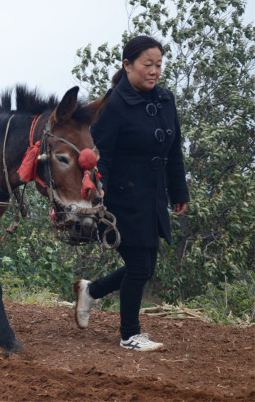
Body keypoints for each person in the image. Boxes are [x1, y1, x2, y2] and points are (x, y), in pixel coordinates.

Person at [74, 35, 190, 351]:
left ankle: (91, 291)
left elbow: (173, 150)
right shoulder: (113, 106)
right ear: (127, 65)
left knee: (146, 267)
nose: (154, 71)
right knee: (139, 267)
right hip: (120, 198)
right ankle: (129, 335)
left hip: (153, 197)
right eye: (147, 64)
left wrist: (178, 190)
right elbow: (101, 156)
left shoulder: (166, 100)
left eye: (159, 65)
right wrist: (98, 194)